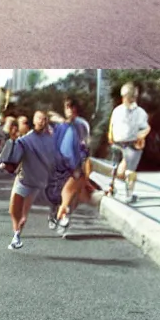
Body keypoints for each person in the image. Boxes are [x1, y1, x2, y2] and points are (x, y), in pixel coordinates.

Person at [0, 109, 62, 250]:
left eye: (44, 118)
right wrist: (5, 162)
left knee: (23, 212)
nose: (42, 121)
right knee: (13, 210)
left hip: (39, 180)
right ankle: (17, 234)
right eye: (39, 118)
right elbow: (13, 153)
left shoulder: (52, 139)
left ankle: (17, 236)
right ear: (34, 121)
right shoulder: (26, 139)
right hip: (24, 178)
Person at [51, 96, 95, 234]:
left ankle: (64, 216)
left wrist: (82, 165)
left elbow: (85, 146)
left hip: (76, 165)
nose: (69, 110)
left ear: (76, 109)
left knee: (68, 192)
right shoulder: (60, 125)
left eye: (72, 107)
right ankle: (61, 214)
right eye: (67, 107)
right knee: (62, 193)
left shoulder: (81, 125)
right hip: (61, 165)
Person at [105, 80, 151, 204]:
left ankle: (119, 191)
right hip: (121, 144)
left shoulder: (137, 112)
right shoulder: (120, 111)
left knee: (124, 169)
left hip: (131, 144)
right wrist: (111, 136)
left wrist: (140, 137)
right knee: (123, 170)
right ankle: (121, 191)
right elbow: (112, 125)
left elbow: (146, 128)